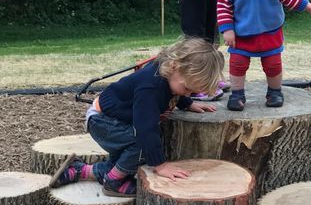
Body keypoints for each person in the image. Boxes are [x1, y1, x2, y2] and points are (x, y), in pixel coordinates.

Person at [49, 37, 225, 195]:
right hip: (103, 121)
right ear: (174, 66)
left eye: (193, 92)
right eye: (187, 89)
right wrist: (160, 165)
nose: (189, 93)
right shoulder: (151, 88)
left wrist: (188, 103)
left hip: (115, 119)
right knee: (142, 144)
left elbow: (173, 93)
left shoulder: (169, 76)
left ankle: (80, 171)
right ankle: (113, 182)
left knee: (123, 161)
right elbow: (145, 129)